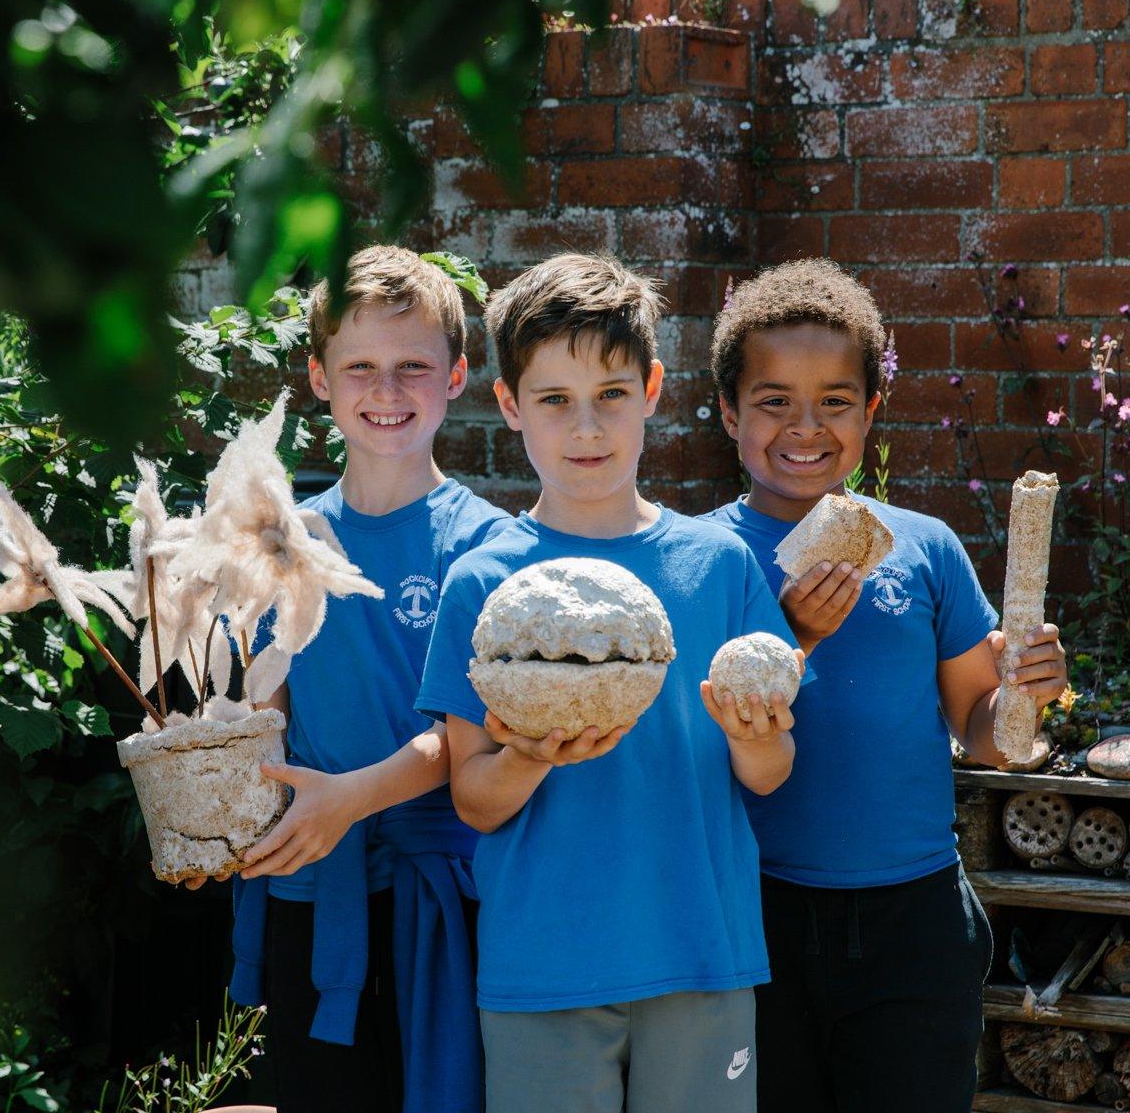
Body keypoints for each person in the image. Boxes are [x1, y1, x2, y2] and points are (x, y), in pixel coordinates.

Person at [415, 252, 803, 1113]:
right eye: (554, 401)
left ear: (654, 390)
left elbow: (771, 774)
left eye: (611, 396)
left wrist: (754, 734)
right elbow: (474, 798)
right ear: (511, 406)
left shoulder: (718, 565)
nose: (585, 428)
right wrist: (530, 753)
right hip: (544, 965)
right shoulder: (484, 583)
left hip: (702, 951)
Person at [699, 257, 1070, 1113]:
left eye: (835, 400)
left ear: (871, 412)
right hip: (756, 912)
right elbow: (694, 739)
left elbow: (983, 726)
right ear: (728, 411)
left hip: (916, 914)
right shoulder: (699, 558)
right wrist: (792, 636)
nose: (806, 426)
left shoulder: (925, 547)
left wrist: (1027, 692)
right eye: (773, 401)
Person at [205, 245, 509, 1113]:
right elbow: (265, 713)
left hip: (444, 894)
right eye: (361, 368)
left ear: (455, 376)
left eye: (414, 367)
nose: (387, 391)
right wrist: (220, 817)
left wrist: (350, 799)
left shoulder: (490, 545)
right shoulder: (283, 541)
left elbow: (468, 734)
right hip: (311, 881)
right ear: (319, 378)